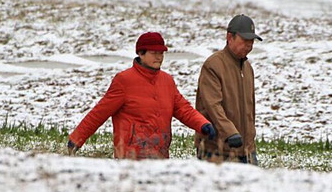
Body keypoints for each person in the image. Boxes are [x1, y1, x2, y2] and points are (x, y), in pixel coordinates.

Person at [67, 32, 216, 159]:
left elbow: (184, 109)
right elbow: (100, 112)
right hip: (130, 158)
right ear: (140, 53)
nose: (159, 57)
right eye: (154, 53)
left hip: (160, 156)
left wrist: (203, 125)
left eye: (161, 53)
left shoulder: (167, 81)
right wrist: (76, 139)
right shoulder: (124, 80)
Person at [194, 14, 262, 165]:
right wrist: (230, 133)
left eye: (251, 41)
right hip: (217, 150)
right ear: (229, 37)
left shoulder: (248, 68)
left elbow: (249, 110)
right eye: (245, 40)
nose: (249, 45)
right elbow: (213, 106)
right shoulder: (213, 65)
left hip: (246, 151)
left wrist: (250, 141)